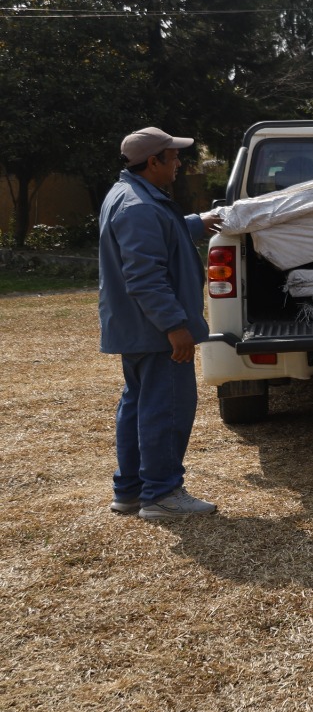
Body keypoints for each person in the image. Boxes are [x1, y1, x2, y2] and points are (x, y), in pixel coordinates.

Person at [101, 127, 222, 520]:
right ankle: (163, 494)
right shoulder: (138, 207)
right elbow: (145, 275)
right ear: (152, 162)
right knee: (166, 407)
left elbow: (158, 232)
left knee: (139, 405)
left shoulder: (131, 196)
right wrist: (175, 325)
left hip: (138, 330)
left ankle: (132, 491)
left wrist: (196, 223)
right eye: (172, 157)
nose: (179, 163)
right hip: (157, 332)